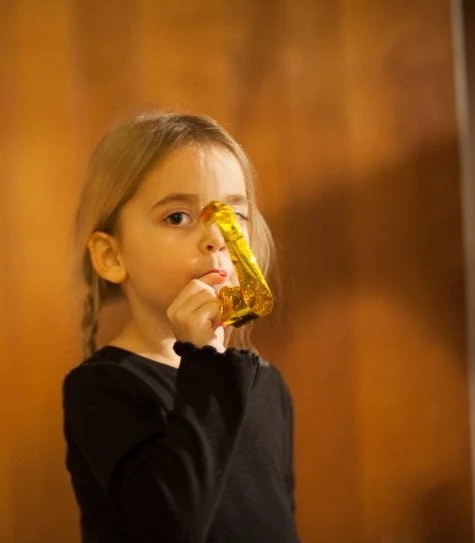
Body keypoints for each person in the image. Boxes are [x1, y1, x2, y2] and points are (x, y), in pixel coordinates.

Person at [62, 113, 299, 542]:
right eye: (177, 218)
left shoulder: (266, 385)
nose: (217, 238)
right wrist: (204, 361)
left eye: (234, 216)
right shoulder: (103, 389)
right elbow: (169, 528)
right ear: (112, 256)